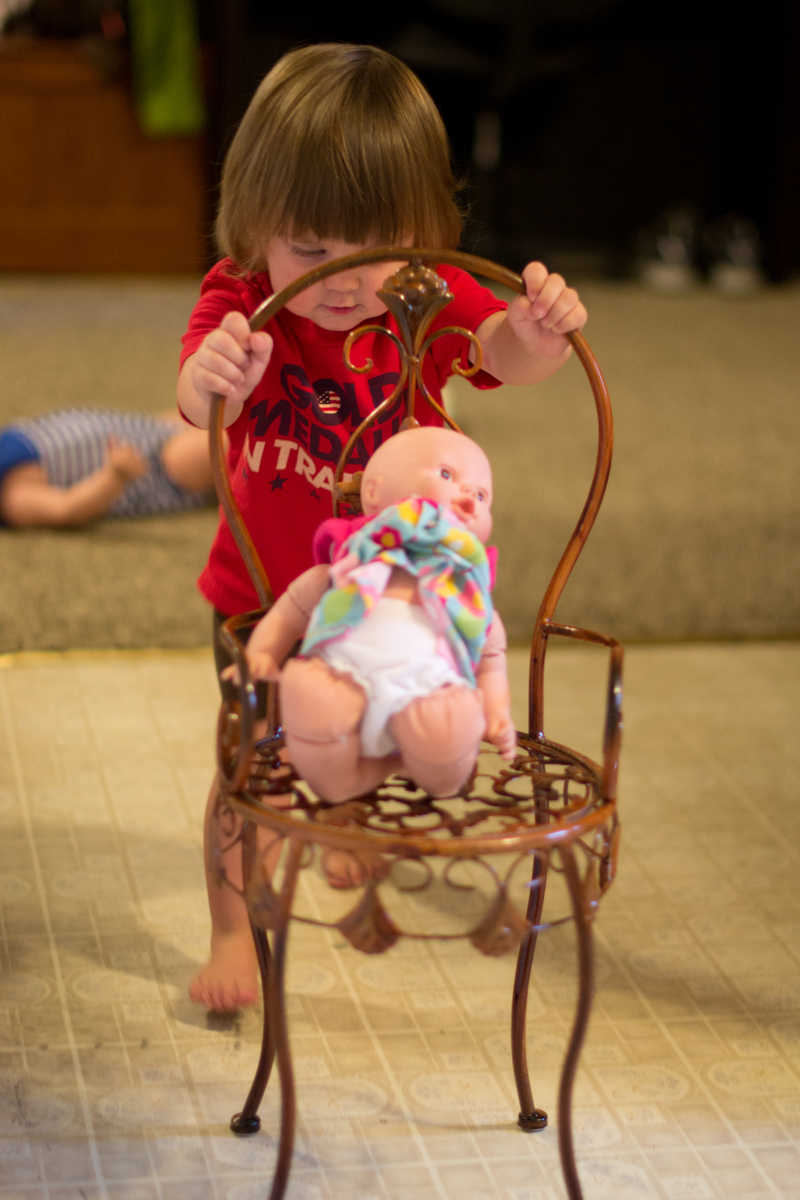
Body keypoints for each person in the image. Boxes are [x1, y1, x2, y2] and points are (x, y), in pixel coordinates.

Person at [177, 42, 587, 1012]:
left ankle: (346, 811)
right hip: (264, 599)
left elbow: (502, 355)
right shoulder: (242, 298)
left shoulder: (425, 298)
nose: (341, 281)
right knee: (250, 770)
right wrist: (210, 378)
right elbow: (194, 399)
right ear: (255, 228)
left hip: (400, 606)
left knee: (388, 721)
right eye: (308, 250)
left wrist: (535, 332)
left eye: (371, 250)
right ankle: (231, 928)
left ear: (422, 234)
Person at [240, 427, 515, 805]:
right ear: (373, 493)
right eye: (447, 475)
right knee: (312, 705)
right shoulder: (350, 566)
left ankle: (435, 757)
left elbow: (492, 661)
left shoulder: (468, 595)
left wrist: (497, 713)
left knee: (448, 742)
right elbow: (292, 609)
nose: (469, 495)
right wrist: (265, 651)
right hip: (343, 682)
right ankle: (346, 780)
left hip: (429, 692)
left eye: (482, 495)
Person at [0, 408, 216, 527]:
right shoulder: (14, 498)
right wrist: (115, 476)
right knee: (226, 441)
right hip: (157, 467)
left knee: (213, 406)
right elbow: (67, 509)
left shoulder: (8, 444)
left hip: (146, 428)